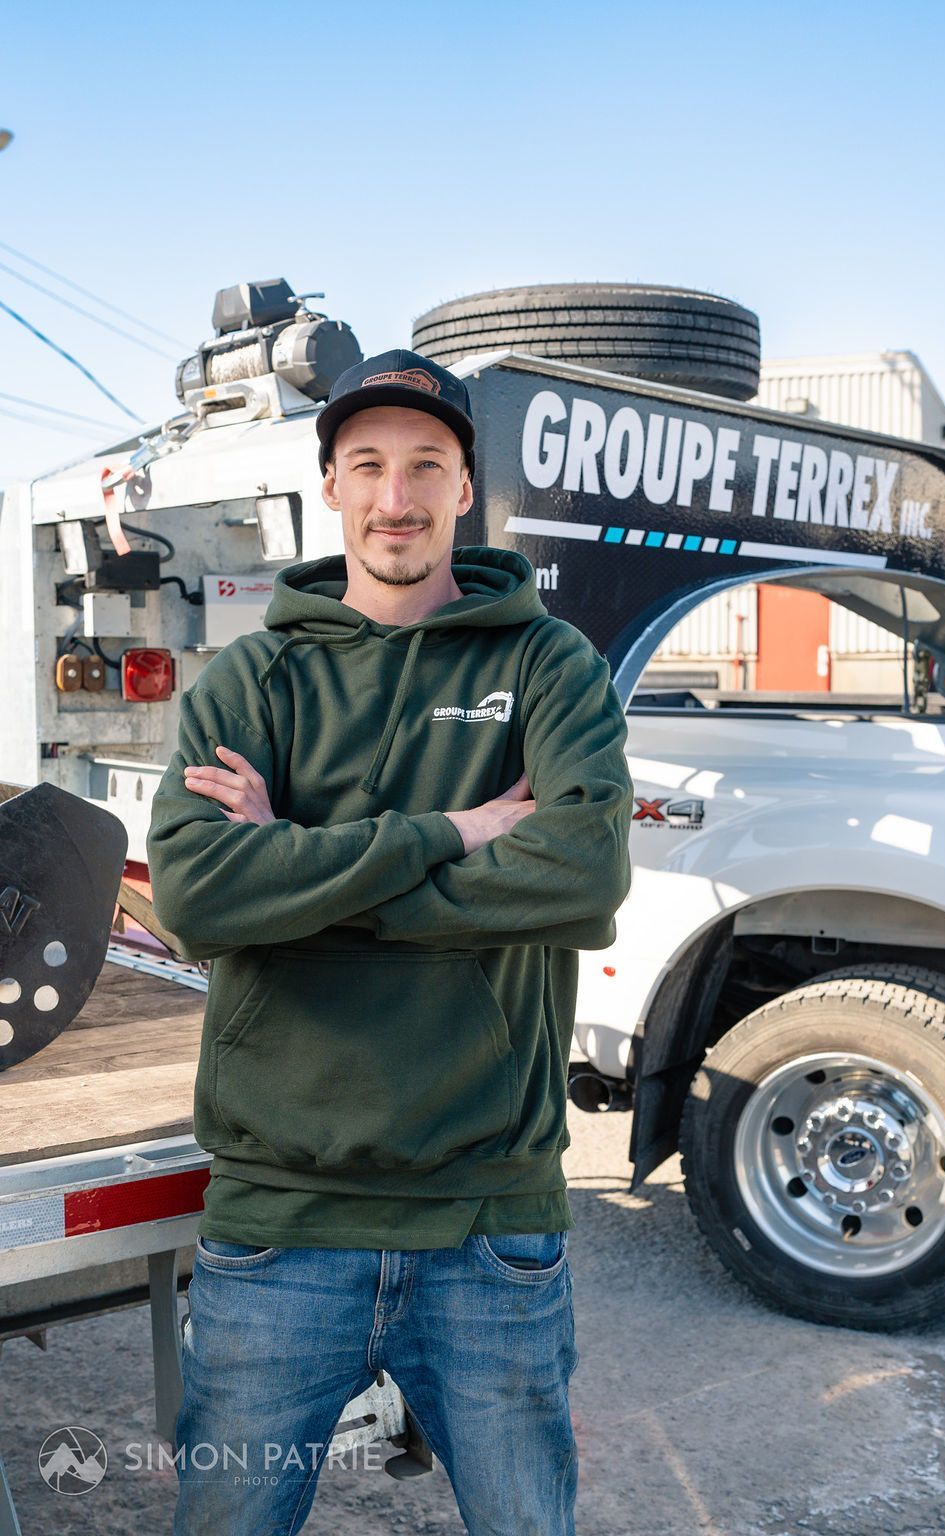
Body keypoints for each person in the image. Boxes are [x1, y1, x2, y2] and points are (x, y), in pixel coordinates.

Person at [147, 347, 634, 1534]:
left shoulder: (543, 664)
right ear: (331, 485)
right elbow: (201, 896)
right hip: (280, 1222)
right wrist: (451, 834)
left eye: (427, 464)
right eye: (367, 464)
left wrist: (304, 873)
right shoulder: (254, 678)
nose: (396, 495)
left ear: (467, 490)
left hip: (489, 1223)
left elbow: (580, 879)